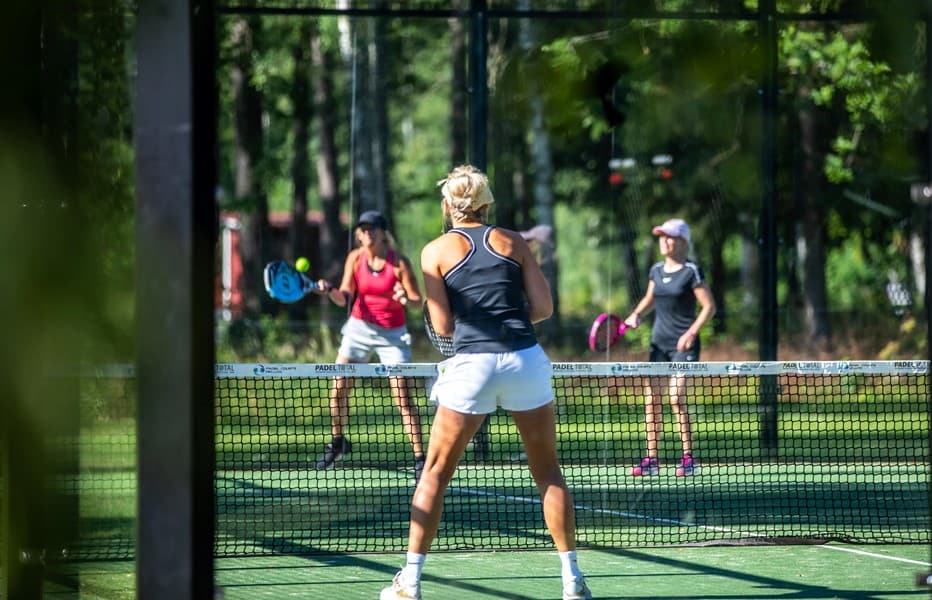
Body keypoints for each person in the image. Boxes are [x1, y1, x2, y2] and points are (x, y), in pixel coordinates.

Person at [380, 165, 592, 600]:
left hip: (472, 366)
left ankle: (409, 583)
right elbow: (544, 308)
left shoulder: (434, 251)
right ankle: (572, 581)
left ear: (447, 206)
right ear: (487, 203)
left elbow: (442, 327)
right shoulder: (514, 241)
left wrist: (472, 323)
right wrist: (505, 319)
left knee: (434, 474)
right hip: (525, 360)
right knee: (548, 471)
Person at [313, 210, 426, 483]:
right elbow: (344, 298)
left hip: (392, 334)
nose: (368, 233)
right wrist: (329, 291)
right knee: (338, 389)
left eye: (373, 228)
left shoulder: (398, 262)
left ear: (383, 233)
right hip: (359, 328)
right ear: (359, 234)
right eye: (363, 229)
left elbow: (416, 301)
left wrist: (404, 298)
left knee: (403, 397)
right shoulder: (355, 258)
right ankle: (338, 442)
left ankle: (420, 458)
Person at [624, 217, 716, 477]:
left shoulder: (691, 271)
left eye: (670, 236)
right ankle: (651, 460)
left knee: (676, 398)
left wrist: (691, 332)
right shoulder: (656, 270)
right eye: (662, 236)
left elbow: (709, 307)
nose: (664, 241)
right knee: (652, 400)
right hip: (659, 344)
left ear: (682, 242)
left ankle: (688, 459)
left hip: (684, 346)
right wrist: (636, 314)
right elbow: (650, 298)